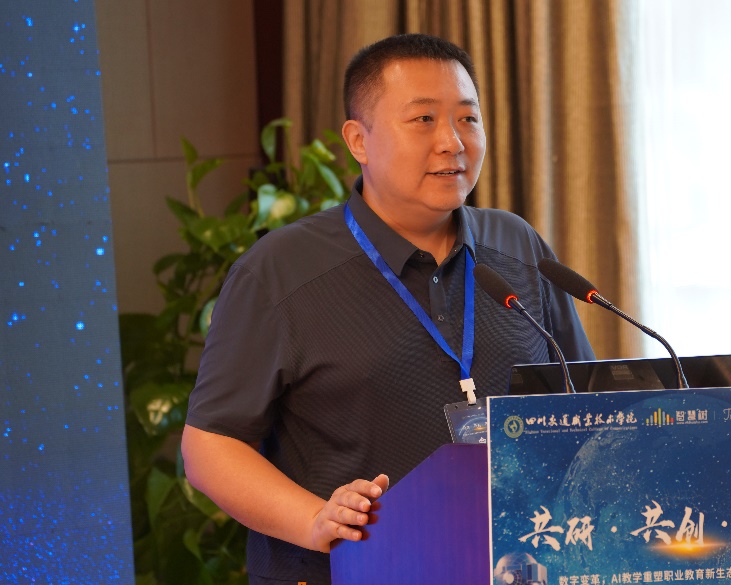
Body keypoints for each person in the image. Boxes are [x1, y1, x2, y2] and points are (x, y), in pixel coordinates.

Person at [181, 33, 594, 585]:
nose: (452, 142)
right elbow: (210, 445)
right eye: (424, 119)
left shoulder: (516, 244)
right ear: (359, 140)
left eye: (468, 119)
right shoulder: (280, 270)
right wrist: (314, 519)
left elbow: (581, 398)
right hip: (348, 571)